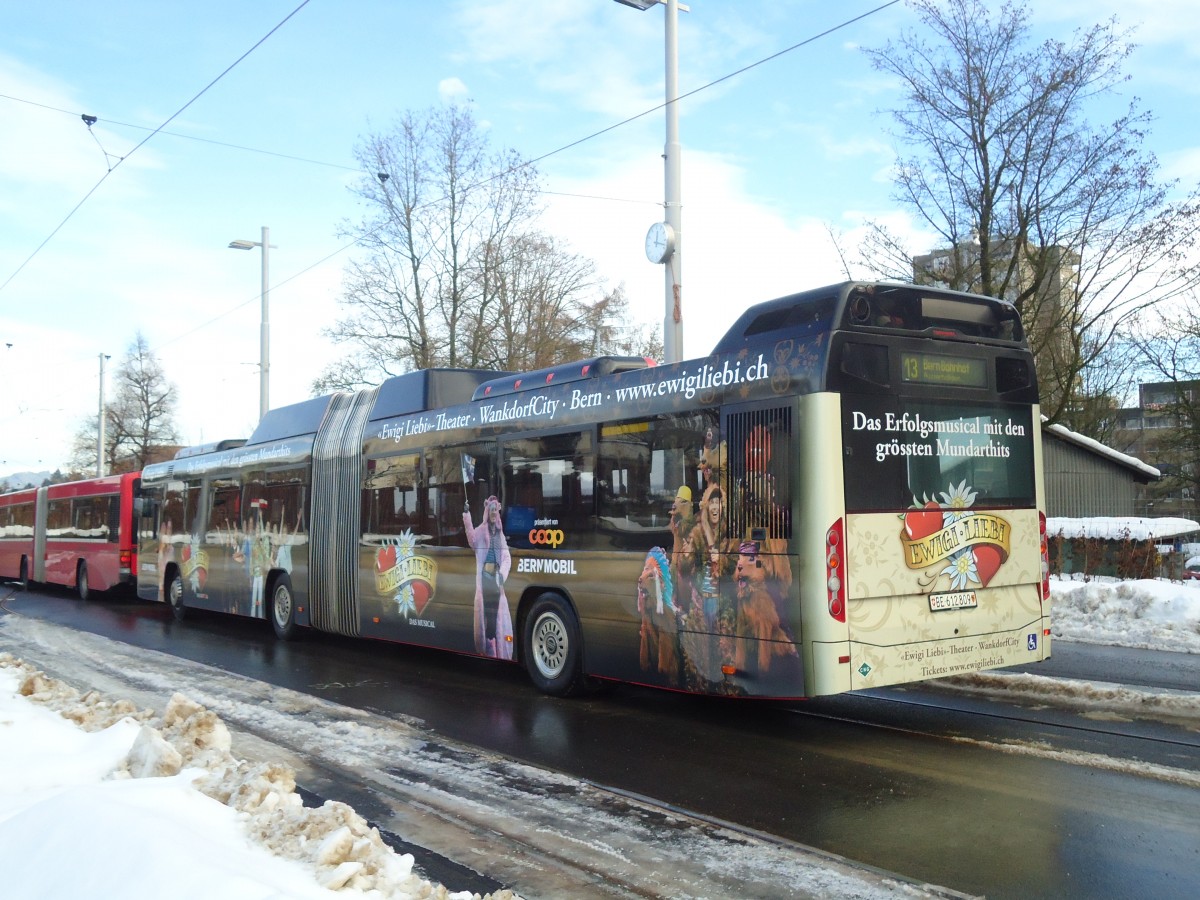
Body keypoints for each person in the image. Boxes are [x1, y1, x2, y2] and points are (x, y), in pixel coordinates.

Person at [463, 496, 514, 659]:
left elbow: (506, 557)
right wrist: (467, 515)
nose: (493, 513)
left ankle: (496, 649)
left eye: (495, 510)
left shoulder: (500, 534)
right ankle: (488, 649)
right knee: (487, 615)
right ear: (488, 511)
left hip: (496, 579)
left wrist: (501, 575)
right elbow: (471, 539)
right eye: (491, 509)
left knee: (495, 616)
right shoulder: (481, 531)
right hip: (484, 578)